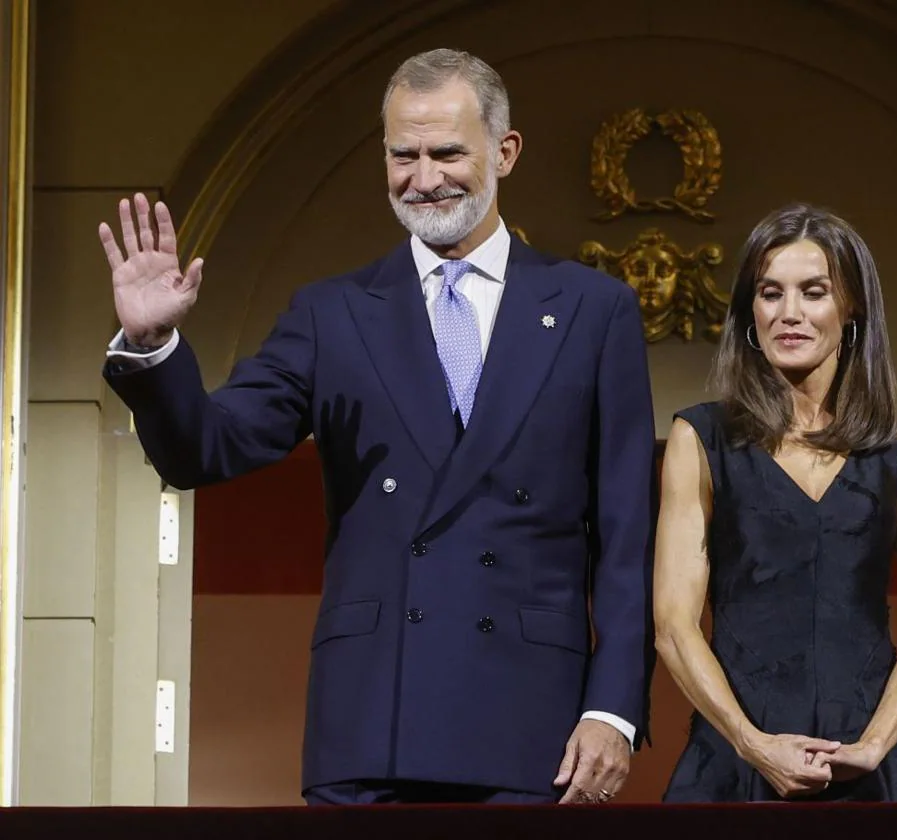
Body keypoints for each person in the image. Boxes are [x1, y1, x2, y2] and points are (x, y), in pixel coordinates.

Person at [97, 48, 655, 806]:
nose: (424, 179)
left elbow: (627, 538)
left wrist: (613, 708)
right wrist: (153, 347)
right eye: (404, 155)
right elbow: (207, 447)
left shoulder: (594, 310)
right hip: (372, 724)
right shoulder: (333, 314)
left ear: (505, 151)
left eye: (448, 153)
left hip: (534, 725)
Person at [653, 203, 897, 802]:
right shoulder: (701, 439)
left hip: (872, 769)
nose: (789, 313)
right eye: (770, 293)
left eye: (813, 293)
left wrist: (874, 745)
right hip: (737, 767)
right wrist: (753, 744)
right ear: (749, 310)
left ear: (851, 309)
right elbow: (673, 626)